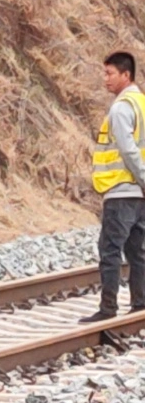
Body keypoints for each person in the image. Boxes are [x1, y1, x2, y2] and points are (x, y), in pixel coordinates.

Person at [80, 51, 145, 323]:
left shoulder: (120, 107)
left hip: (121, 191)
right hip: (139, 196)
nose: (105, 79)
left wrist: (142, 178)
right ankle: (140, 304)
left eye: (110, 73)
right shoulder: (141, 103)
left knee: (109, 250)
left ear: (125, 75)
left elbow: (128, 151)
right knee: (137, 251)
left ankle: (108, 308)